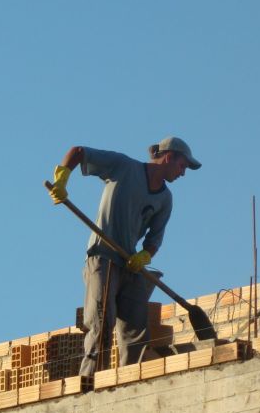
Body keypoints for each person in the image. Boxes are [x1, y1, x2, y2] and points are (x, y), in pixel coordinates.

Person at [48, 137, 201, 378]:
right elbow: (78, 152)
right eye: (182, 166)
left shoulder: (165, 199)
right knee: (101, 323)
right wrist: (62, 178)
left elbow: (154, 239)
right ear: (169, 157)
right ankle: (91, 382)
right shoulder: (123, 167)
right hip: (103, 258)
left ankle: (130, 381)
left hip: (130, 265)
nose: (183, 173)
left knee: (135, 332)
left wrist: (144, 256)